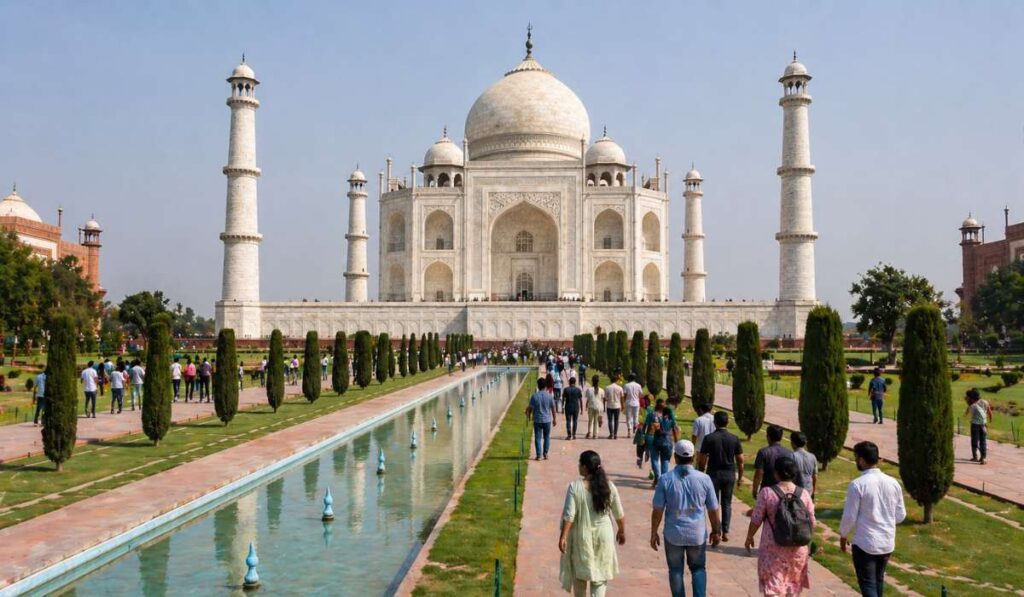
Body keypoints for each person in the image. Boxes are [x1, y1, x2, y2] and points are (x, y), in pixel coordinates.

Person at [651, 439, 721, 597]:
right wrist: (717, 531)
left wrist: (653, 532)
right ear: (694, 457)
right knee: (698, 569)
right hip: (696, 533)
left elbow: (657, 510)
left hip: (673, 533)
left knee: (675, 570)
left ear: (675, 457)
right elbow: (713, 509)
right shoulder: (704, 479)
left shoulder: (665, 479)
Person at [838, 441, 907, 597]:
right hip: (886, 542)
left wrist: (843, 534)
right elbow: (900, 515)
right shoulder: (893, 483)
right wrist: (885, 520)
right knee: (878, 580)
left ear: (861, 460)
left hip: (865, 543)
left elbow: (850, 516)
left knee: (868, 584)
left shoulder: (858, 485)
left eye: (856, 457)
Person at [744, 457, 816, 596]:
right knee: (792, 589)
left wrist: (749, 537)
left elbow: (756, 519)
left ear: (776, 473)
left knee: (773, 588)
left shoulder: (767, 492)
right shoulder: (804, 494)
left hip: (773, 549)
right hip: (797, 550)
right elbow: (812, 522)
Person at [559, 450, 626, 596]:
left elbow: (569, 515)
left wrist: (563, 536)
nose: (578, 466)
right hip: (604, 536)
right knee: (600, 579)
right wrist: (621, 531)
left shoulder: (575, 487)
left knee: (580, 578)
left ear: (584, 467)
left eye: (579, 463)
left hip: (581, 537)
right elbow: (619, 514)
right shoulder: (609, 486)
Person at [699, 411, 744, 541]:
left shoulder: (709, 438)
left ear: (715, 423)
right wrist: (740, 477)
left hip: (713, 474)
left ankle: (716, 530)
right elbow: (740, 460)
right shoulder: (734, 438)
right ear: (727, 422)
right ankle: (726, 530)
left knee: (714, 503)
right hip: (729, 474)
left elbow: (702, 459)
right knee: (727, 503)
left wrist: (701, 472)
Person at [752, 425, 793, 499]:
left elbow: (759, 474)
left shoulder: (763, 452)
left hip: (767, 491)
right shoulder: (789, 453)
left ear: (768, 437)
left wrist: (755, 490)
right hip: (784, 492)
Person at [646, 400, 679, 484]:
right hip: (668, 442)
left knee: (654, 459)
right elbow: (676, 431)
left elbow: (652, 429)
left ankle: (657, 477)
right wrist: (676, 442)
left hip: (657, 441)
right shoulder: (672, 421)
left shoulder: (657, 419)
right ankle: (664, 480)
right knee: (665, 461)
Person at [526, 377, 557, 460]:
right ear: (545, 386)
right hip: (547, 420)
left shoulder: (534, 396)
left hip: (537, 420)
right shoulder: (549, 396)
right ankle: (545, 453)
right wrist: (554, 419)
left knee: (538, 437)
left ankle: (539, 454)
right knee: (547, 437)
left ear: (538, 386)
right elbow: (553, 409)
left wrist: (528, 415)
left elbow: (530, 408)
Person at [964, 388, 992, 464]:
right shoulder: (985, 402)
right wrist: (990, 420)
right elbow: (989, 411)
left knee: (974, 441)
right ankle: (983, 458)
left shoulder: (972, 405)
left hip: (975, 425)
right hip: (983, 425)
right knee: (983, 441)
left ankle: (975, 456)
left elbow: (968, 413)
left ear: (972, 398)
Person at [790, 432, 818, 497]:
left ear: (793, 443)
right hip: (808, 490)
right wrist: (813, 489)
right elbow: (815, 476)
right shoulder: (812, 457)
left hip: (796, 491)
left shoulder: (792, 456)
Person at [691, 404, 716, 471]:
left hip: (700, 447)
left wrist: (693, 447)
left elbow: (694, 435)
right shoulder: (715, 419)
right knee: (711, 467)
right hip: (713, 446)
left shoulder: (698, 420)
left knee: (700, 467)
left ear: (701, 410)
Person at [584, 375, 605, 439]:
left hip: (591, 405)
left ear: (592, 381)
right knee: (596, 421)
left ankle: (589, 432)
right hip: (599, 407)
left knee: (590, 420)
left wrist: (586, 405)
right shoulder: (601, 390)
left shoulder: (589, 390)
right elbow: (603, 399)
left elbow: (588, 399)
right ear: (598, 382)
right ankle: (595, 435)